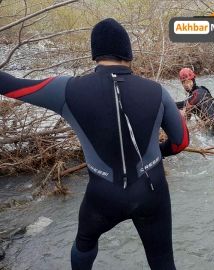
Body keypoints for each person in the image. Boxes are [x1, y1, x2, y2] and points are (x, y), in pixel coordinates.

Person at [0, 18, 188, 270]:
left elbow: (11, 87)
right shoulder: (157, 91)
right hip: (151, 193)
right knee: (163, 261)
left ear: (95, 55)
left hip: (103, 197)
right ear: (128, 55)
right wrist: (163, 150)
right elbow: (180, 143)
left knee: (84, 243)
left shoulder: (66, 90)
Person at [175, 67, 214, 141]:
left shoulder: (199, 92)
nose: (186, 85)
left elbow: (186, 104)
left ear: (193, 80)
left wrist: (168, 104)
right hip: (209, 127)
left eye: (188, 81)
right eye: (183, 82)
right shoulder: (191, 96)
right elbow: (187, 117)